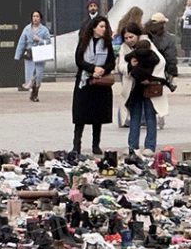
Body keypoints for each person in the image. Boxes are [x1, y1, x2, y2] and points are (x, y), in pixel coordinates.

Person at [118, 24, 168, 156]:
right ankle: (132, 146)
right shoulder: (123, 48)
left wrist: (151, 77)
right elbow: (121, 66)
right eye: (126, 37)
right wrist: (130, 65)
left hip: (148, 87)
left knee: (150, 115)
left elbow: (161, 61)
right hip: (134, 87)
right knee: (135, 116)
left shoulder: (147, 44)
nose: (129, 40)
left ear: (137, 35)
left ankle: (150, 146)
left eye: (131, 36)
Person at [72, 15, 116, 156]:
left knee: (98, 116)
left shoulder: (107, 43)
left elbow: (111, 62)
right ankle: (76, 144)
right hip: (85, 82)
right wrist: (92, 68)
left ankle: (96, 144)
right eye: (101, 26)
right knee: (81, 115)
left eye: (105, 27)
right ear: (94, 27)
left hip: (100, 83)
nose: (103, 29)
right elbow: (79, 60)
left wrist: (103, 70)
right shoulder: (84, 41)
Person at [13, 11, 52, 102]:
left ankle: (35, 93)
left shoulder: (44, 30)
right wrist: (17, 55)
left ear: (40, 18)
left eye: (37, 16)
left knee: (38, 75)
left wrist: (40, 40)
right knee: (30, 74)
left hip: (40, 53)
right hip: (30, 54)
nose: (35, 18)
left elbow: (49, 42)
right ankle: (31, 90)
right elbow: (21, 42)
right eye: (34, 16)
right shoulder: (27, 29)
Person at [146, 12, 179, 92]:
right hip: (161, 70)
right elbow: (170, 57)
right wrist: (172, 73)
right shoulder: (168, 38)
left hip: (145, 69)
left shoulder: (144, 34)